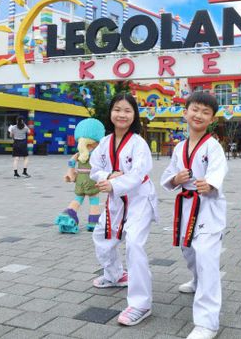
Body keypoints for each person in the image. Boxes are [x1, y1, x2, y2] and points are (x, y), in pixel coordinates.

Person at [160, 91, 228, 339]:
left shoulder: (213, 146)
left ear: (212, 119)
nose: (199, 115)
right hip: (186, 207)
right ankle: (198, 280)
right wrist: (175, 179)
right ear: (185, 112)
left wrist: (210, 183)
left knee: (206, 257)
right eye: (195, 109)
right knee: (189, 251)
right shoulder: (180, 147)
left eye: (205, 112)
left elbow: (219, 171)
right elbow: (169, 175)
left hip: (208, 207)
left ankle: (207, 323)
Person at [90, 93, 158, 326]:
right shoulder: (104, 142)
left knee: (134, 244)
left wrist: (116, 182)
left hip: (139, 199)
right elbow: (95, 168)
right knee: (101, 235)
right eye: (117, 109)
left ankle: (141, 304)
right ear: (110, 112)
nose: (122, 114)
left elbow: (138, 174)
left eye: (128, 110)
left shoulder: (139, 143)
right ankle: (115, 275)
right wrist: (109, 176)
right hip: (116, 199)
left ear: (134, 115)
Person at [56, 118, 105, 233]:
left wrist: (70, 174)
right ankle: (93, 222)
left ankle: (69, 213)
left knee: (78, 198)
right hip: (92, 179)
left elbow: (71, 163)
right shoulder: (97, 153)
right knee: (94, 200)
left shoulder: (79, 154)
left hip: (80, 179)